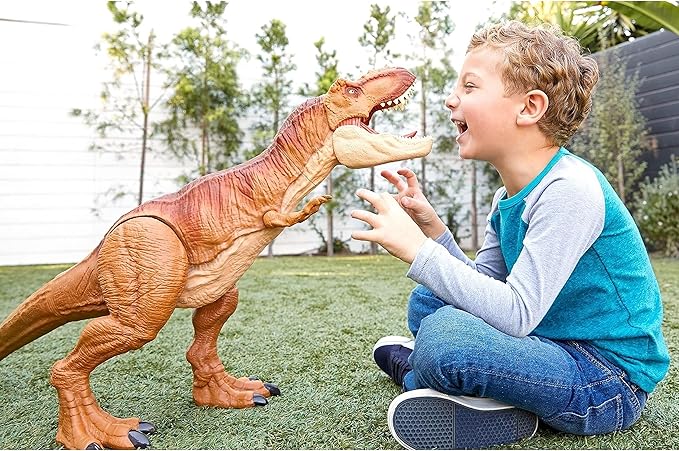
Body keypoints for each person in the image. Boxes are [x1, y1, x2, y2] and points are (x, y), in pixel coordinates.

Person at [350, 20, 670, 450]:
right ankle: (457, 385)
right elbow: (485, 285)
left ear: (529, 107)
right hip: (549, 342)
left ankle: (418, 374)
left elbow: (516, 313)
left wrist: (418, 251)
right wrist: (432, 228)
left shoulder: (570, 190)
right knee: (429, 299)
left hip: (605, 380)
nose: (450, 99)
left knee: (445, 336)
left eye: (469, 86)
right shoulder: (509, 195)